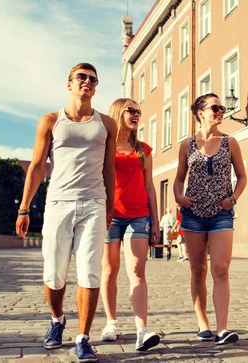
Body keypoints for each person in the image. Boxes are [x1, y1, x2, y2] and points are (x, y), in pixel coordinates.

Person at [15, 63, 117, 363]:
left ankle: (83, 338)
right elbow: (36, 166)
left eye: (92, 79)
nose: (87, 82)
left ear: (96, 87)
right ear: (69, 83)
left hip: (94, 203)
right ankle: (57, 319)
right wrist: (24, 208)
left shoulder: (107, 124)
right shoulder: (50, 121)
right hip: (58, 203)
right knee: (54, 273)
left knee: (89, 270)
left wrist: (109, 206)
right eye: (81, 77)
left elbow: (108, 168)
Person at [173, 93, 246, 345]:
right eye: (215, 107)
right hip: (193, 215)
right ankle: (202, 323)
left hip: (221, 214)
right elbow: (179, 177)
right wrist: (178, 197)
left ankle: (222, 328)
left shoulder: (230, 142)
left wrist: (232, 199)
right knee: (197, 270)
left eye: (221, 107)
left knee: (221, 269)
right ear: (200, 113)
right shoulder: (187, 144)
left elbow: (242, 176)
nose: (220, 111)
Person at [99, 98, 161, 351]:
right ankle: (111, 323)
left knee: (137, 271)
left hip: (138, 215)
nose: (137, 115)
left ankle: (141, 330)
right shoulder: (104, 147)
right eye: (131, 111)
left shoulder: (143, 150)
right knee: (109, 270)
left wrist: (155, 221)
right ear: (118, 113)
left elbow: (149, 186)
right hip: (109, 215)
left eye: (139, 112)